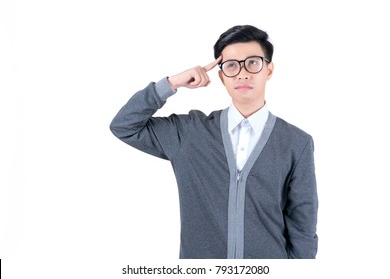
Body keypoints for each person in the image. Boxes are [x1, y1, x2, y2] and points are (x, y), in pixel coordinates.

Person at [110, 25, 318, 259]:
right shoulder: (189, 132)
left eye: (253, 62)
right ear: (221, 75)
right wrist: (171, 84)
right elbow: (124, 126)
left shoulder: (296, 143)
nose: (242, 73)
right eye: (231, 66)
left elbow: (303, 228)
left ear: (269, 69)